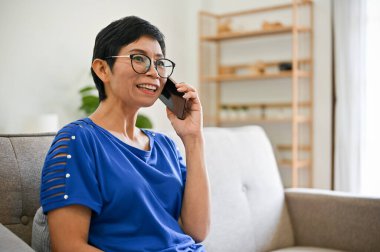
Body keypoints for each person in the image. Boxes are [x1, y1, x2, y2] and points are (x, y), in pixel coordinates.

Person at [40, 16, 210, 251]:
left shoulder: (165, 146)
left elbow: (197, 232)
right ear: (102, 69)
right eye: (139, 58)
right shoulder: (77, 141)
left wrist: (193, 138)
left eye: (159, 63)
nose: (154, 73)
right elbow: (69, 246)